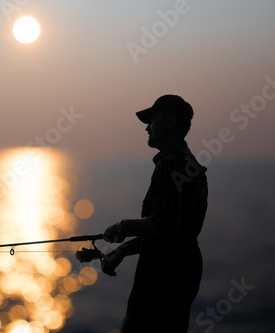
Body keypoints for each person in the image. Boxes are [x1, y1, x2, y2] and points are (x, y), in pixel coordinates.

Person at [102, 95, 208, 332]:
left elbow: (163, 224)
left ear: (170, 122)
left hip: (162, 276)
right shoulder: (192, 166)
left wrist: (121, 227)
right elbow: (171, 231)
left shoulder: (169, 165)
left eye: (152, 120)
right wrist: (121, 250)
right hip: (184, 272)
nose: (147, 127)